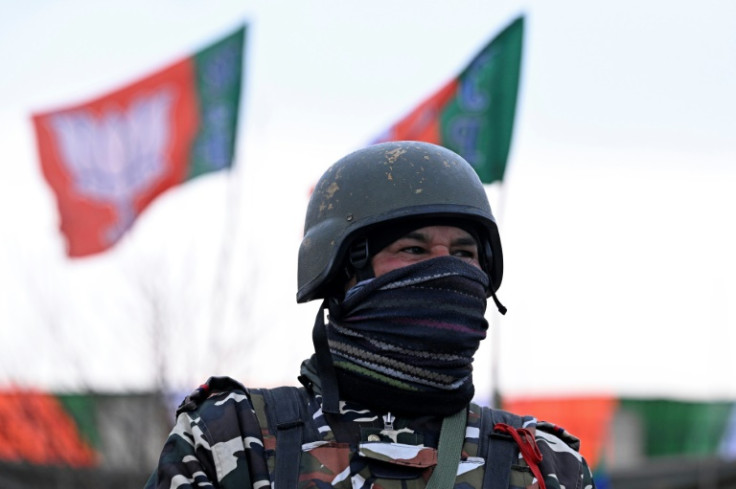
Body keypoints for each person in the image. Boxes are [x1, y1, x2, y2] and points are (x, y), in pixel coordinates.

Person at [145, 141, 596, 489]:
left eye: (464, 252)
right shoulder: (237, 438)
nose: (446, 268)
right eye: (413, 249)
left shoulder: (543, 464)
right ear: (343, 273)